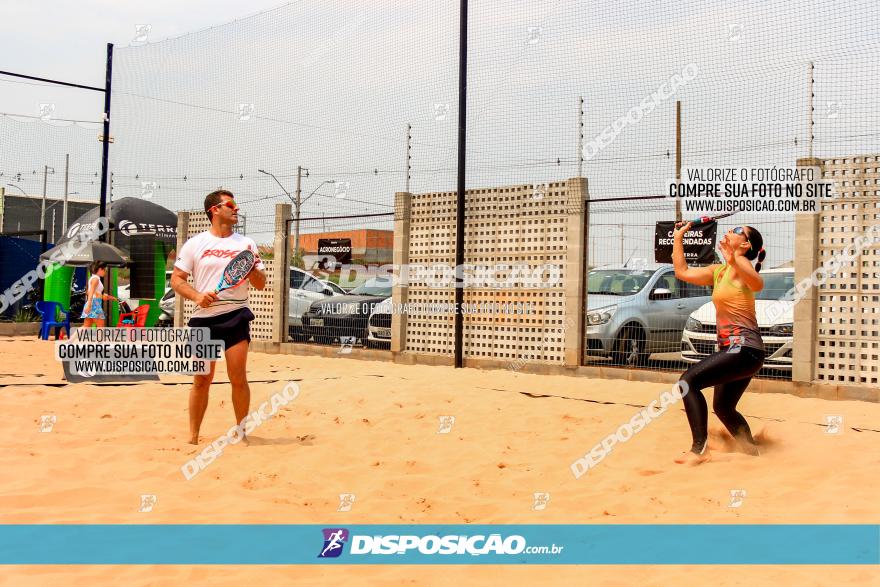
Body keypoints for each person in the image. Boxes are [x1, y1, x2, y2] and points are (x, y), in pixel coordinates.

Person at [171, 190, 267, 445]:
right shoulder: (195, 243)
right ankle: (193, 436)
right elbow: (177, 280)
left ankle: (241, 432)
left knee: (238, 377)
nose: (236, 209)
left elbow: (261, 283)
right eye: (230, 205)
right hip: (204, 318)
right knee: (202, 379)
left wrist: (250, 269)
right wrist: (196, 296)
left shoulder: (245, 244)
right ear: (214, 210)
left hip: (236, 314)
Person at [671, 222, 767, 465]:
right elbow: (682, 271)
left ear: (745, 244)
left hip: (744, 348)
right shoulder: (719, 271)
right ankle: (752, 453)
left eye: (737, 231)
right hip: (738, 351)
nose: (730, 230)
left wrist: (734, 259)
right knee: (723, 407)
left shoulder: (741, 264)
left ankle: (698, 450)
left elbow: (757, 283)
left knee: (687, 381)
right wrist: (678, 237)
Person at [81, 261, 116, 328]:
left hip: (93, 303)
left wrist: (109, 297)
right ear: (100, 269)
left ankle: (71, 339)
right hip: (94, 304)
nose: (105, 272)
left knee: (85, 327)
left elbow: (92, 293)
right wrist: (89, 305)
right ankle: (100, 338)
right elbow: (90, 293)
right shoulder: (96, 279)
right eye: (104, 269)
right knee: (101, 326)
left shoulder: (94, 278)